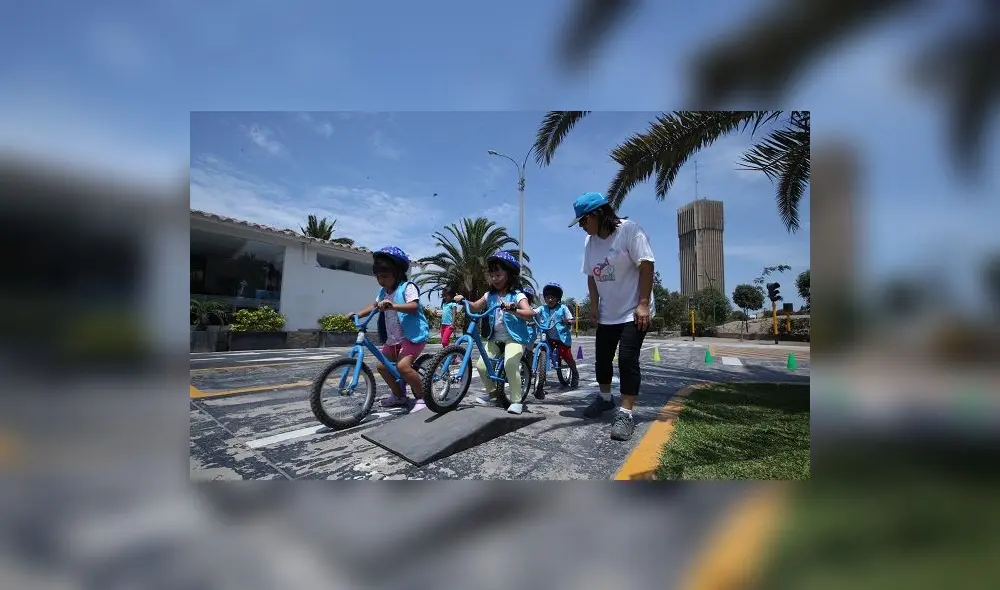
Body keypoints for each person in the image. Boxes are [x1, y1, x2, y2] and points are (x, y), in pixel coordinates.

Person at [569, 192, 656, 441]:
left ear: (597, 214)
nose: (582, 227)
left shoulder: (630, 230)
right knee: (603, 359)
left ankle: (626, 413)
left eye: (583, 221)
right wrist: (594, 306)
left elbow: (647, 265)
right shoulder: (590, 242)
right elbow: (591, 276)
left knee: (627, 359)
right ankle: (605, 399)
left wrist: (643, 304)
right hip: (608, 312)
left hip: (633, 310)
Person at [452, 250, 535, 414]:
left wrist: (514, 309)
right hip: (495, 338)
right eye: (492, 275)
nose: (494, 278)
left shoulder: (517, 295)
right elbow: (475, 307)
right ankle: (494, 394)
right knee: (481, 366)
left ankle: (516, 400)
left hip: (514, 339)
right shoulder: (489, 295)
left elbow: (529, 313)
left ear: (510, 275)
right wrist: (464, 301)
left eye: (498, 274)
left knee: (510, 364)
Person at [352, 246, 431, 413]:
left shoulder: (407, 287)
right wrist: (357, 314)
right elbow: (373, 306)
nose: (381, 280)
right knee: (382, 367)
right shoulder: (383, 292)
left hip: (411, 336)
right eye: (378, 277)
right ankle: (399, 396)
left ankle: (423, 397)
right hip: (393, 338)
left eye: (385, 276)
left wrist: (394, 305)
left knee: (403, 367)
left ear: (398, 273)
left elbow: (414, 306)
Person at [537, 282, 580, 392]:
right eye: (548, 297)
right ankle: (541, 376)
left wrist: (568, 321)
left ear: (558, 299)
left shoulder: (563, 308)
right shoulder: (542, 308)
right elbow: (532, 312)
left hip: (562, 338)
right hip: (547, 337)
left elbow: (573, 320)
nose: (550, 300)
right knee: (542, 352)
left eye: (553, 297)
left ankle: (575, 373)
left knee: (566, 356)